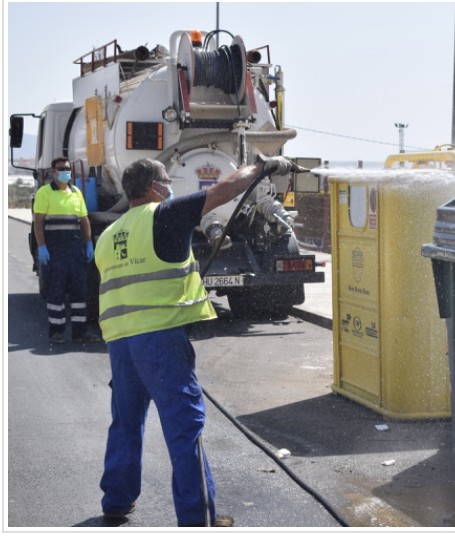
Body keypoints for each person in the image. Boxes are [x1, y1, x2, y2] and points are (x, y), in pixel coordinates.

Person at [94, 155, 294, 527]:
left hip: (121, 344)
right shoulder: (164, 215)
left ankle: (117, 501)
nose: (171, 186)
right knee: (185, 427)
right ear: (154, 187)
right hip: (159, 340)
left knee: (124, 423)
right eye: (168, 181)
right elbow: (227, 190)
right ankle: (197, 519)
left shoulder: (109, 234)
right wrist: (263, 167)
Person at [33, 157, 100, 344]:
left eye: (68, 169)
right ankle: (56, 332)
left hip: (75, 249)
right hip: (55, 250)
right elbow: (38, 221)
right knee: (56, 291)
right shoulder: (45, 192)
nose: (66, 172)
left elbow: (84, 220)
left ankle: (80, 332)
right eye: (61, 169)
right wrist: (42, 247)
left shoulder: (76, 192)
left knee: (79, 291)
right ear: (53, 172)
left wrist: (88, 244)